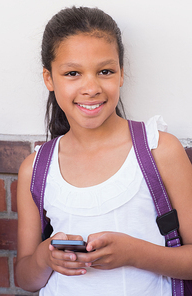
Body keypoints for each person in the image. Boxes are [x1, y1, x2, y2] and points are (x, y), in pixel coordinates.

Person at [16, 6, 192, 296]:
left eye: (105, 71)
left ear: (121, 74)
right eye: (72, 73)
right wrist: (45, 256)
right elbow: (26, 279)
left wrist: (134, 253)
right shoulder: (35, 169)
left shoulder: (159, 150)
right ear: (49, 79)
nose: (91, 87)